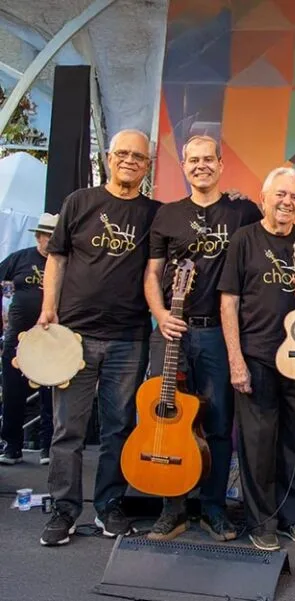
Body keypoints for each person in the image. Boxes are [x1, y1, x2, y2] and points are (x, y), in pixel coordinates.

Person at [38, 129, 160, 546]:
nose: (129, 160)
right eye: (122, 153)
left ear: (148, 165)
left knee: (119, 428)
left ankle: (109, 505)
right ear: (109, 157)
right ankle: (64, 509)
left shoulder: (154, 213)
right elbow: (56, 258)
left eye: (138, 156)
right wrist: (47, 308)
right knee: (66, 429)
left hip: (129, 337)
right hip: (74, 335)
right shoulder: (79, 202)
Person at [143, 135, 263, 541]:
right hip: (173, 331)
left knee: (216, 425)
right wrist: (160, 315)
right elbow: (152, 274)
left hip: (217, 334)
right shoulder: (166, 215)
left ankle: (213, 509)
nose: (200, 166)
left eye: (207, 159)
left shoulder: (244, 210)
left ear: (220, 163)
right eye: (193, 160)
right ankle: (172, 509)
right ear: (183, 164)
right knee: (167, 419)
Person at [219, 166, 295, 551]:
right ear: (264, 198)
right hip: (256, 355)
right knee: (256, 442)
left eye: (294, 197)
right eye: (279, 195)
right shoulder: (244, 240)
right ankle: (260, 520)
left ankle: (294, 517)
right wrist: (236, 359)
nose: (286, 202)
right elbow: (229, 302)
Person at [0, 213, 57, 466]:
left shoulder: (64, 262)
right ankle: (11, 447)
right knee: (13, 392)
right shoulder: (20, 258)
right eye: (48, 235)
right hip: (18, 337)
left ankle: (48, 449)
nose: (52, 240)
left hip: (50, 338)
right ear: (38, 236)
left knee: (50, 395)